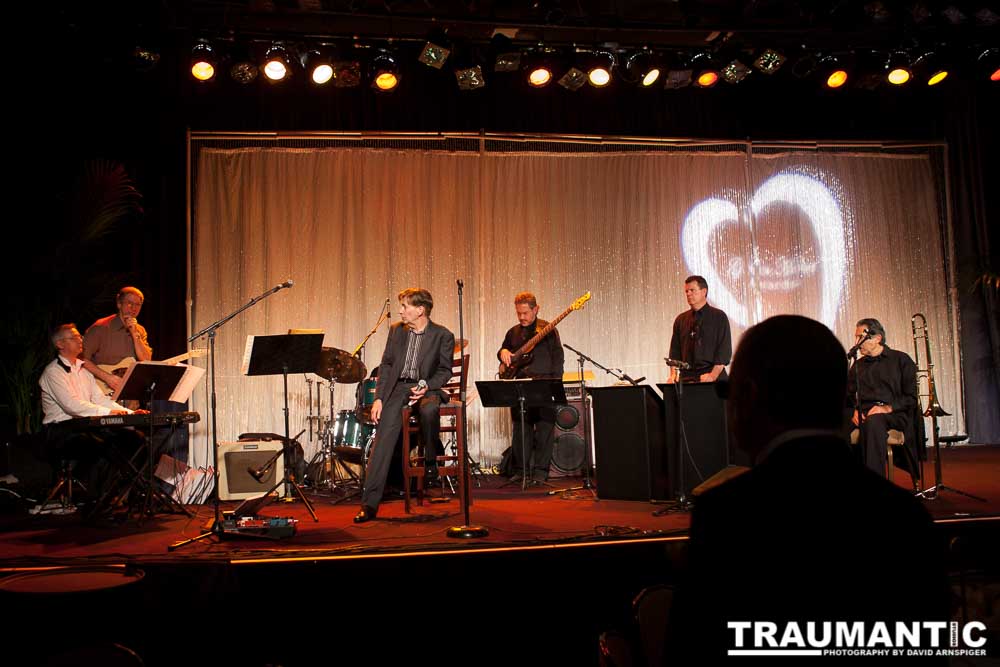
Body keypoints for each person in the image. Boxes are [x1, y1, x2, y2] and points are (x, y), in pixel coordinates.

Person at [666, 315, 950, 661]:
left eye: (733, 394)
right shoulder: (906, 515)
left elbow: (691, 650)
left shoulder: (725, 514)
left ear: (750, 399)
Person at [354, 288, 455, 523]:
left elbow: (444, 370)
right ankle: (369, 505)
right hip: (398, 388)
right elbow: (387, 364)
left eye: (405, 306)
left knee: (429, 409)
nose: (400, 311)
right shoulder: (396, 331)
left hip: (427, 387)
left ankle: (430, 463)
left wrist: (427, 386)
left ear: (420, 310)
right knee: (383, 439)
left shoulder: (443, 335)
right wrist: (379, 398)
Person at [38, 323, 143, 505]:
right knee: (103, 446)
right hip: (60, 431)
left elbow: (99, 399)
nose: (81, 340)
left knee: (134, 439)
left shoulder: (84, 372)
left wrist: (130, 413)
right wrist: (111, 412)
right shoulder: (53, 372)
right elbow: (72, 406)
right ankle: (96, 503)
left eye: (80, 336)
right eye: (75, 337)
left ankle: (118, 494)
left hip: (85, 425)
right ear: (60, 345)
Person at [497, 292, 564, 484]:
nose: (521, 317)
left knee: (544, 430)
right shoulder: (513, 332)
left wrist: (555, 383)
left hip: (544, 385)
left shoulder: (548, 329)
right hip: (520, 386)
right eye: (518, 313)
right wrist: (503, 351)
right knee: (521, 429)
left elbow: (558, 358)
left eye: (525, 313)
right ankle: (521, 471)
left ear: (536, 309)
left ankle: (541, 473)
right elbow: (503, 352)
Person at [846, 318, 919, 477]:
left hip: (893, 412)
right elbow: (847, 396)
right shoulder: (858, 365)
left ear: (877, 338)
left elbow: (911, 398)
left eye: (861, 337)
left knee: (874, 421)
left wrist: (886, 408)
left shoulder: (901, 360)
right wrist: (854, 412)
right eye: (856, 337)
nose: (857, 342)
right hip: (864, 411)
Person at [81, 286, 152, 394]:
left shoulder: (140, 330)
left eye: (138, 304)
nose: (134, 308)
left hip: (130, 393)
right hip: (103, 391)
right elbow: (81, 359)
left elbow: (146, 360)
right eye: (129, 303)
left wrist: (134, 333)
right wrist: (107, 378)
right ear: (119, 304)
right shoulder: (101, 328)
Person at [667, 275, 731, 383]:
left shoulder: (719, 317)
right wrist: (673, 375)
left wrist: (712, 376)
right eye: (686, 291)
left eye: (692, 290)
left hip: (712, 377)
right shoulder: (681, 319)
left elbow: (723, 352)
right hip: (687, 378)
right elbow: (675, 352)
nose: (688, 294)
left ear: (704, 291)